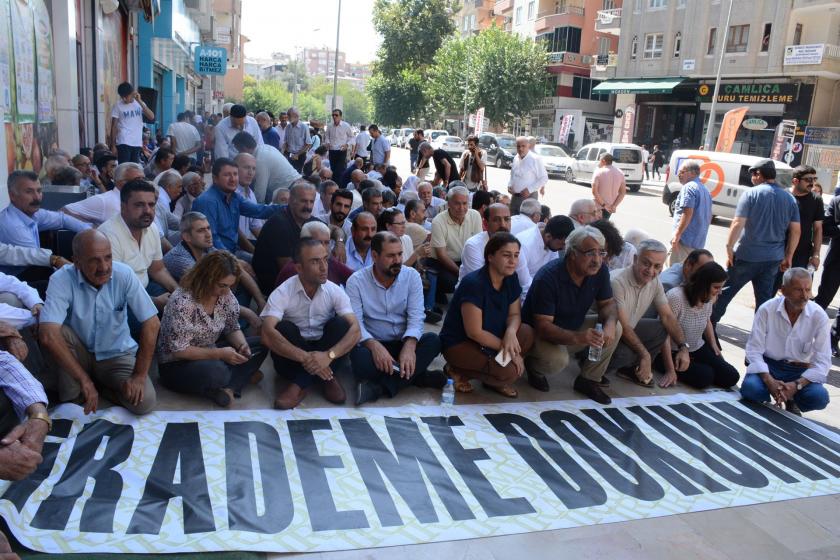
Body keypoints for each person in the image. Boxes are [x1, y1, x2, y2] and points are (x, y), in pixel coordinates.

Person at [39, 230, 159, 415]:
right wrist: (83, 379)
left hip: (116, 354)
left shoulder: (124, 274)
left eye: (108, 257)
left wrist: (139, 376)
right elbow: (48, 334)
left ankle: (102, 388)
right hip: (79, 354)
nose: (104, 267)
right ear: (77, 262)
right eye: (94, 260)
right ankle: (81, 389)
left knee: (144, 403)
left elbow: (152, 323)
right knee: (58, 333)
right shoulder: (61, 279)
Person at [522, 226, 622, 403]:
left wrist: (611, 324)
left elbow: (608, 304)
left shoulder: (600, 271)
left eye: (601, 252)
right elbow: (543, 326)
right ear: (573, 253)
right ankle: (532, 366)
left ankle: (588, 380)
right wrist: (580, 337)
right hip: (540, 334)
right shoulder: (548, 277)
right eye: (590, 253)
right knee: (557, 360)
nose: (597, 260)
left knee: (616, 326)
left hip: (573, 328)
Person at [260, 239, 361, 409]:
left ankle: (299, 384)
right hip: (293, 358)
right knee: (283, 329)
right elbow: (265, 334)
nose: (324, 267)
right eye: (315, 261)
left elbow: (356, 330)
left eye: (325, 259)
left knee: (341, 325)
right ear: (298, 268)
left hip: (327, 353)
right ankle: (327, 377)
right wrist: (308, 358)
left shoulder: (334, 290)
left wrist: (327, 356)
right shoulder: (283, 291)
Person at [157, 251, 267, 406]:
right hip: (177, 364)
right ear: (206, 278)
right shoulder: (182, 302)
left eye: (230, 285)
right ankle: (236, 378)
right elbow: (179, 351)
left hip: (211, 351)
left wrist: (242, 346)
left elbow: (232, 327)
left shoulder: (225, 295)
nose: (226, 291)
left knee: (262, 344)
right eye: (222, 285)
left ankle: (228, 388)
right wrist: (220, 354)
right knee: (217, 371)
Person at [347, 232, 444, 405]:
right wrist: (373, 345)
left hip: (402, 341)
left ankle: (379, 388)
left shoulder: (412, 276)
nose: (398, 260)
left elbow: (416, 317)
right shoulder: (356, 281)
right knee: (358, 359)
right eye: (391, 256)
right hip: (374, 344)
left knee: (433, 341)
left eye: (400, 254)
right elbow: (356, 324)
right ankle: (417, 376)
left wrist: (410, 345)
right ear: (375, 256)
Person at [441, 232, 534, 398]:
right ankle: (457, 370)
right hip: (462, 343)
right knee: (510, 373)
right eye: (506, 255)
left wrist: (511, 333)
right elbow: (474, 332)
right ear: (490, 257)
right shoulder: (474, 284)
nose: (513, 261)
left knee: (525, 333)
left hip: (492, 336)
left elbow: (514, 314)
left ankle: (492, 377)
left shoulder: (511, 278)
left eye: (516, 255)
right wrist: (510, 350)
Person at [712, 159, 800, 325]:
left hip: (747, 255)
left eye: (753, 173)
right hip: (772, 258)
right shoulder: (789, 199)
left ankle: (707, 328)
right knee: (764, 302)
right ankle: (761, 337)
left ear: (759, 174)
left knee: (724, 293)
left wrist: (729, 247)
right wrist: (788, 256)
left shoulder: (751, 194)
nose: (751, 177)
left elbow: (738, 223)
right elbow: (796, 230)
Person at [740, 268, 830, 415]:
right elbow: (753, 350)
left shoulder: (818, 316)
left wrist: (797, 385)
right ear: (783, 290)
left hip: (799, 370)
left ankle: (791, 397)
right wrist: (769, 381)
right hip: (770, 365)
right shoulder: (767, 309)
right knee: (751, 389)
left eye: (808, 290)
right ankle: (771, 396)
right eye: (798, 290)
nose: (805, 296)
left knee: (819, 398)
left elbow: (823, 362)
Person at [607, 239, 694, 388]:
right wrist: (645, 355)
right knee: (627, 354)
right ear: (635, 259)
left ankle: (631, 370)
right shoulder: (617, 282)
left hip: (626, 330)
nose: (651, 270)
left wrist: (683, 347)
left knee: (661, 327)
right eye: (646, 263)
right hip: (605, 336)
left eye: (657, 266)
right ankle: (594, 367)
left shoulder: (654, 281)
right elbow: (623, 326)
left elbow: (667, 317)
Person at [657, 261, 739, 389]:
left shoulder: (708, 297)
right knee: (705, 377)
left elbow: (706, 320)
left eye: (721, 287)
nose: (720, 292)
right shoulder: (676, 297)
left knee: (731, 376)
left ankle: (695, 364)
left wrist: (713, 345)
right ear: (703, 284)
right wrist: (670, 370)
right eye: (716, 287)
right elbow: (662, 334)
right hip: (671, 350)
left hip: (695, 347)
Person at [0, 171, 90, 277]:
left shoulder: (31, 213)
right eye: (29, 192)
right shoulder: (13, 226)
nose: (37, 197)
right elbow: (37, 258)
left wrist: (91, 232)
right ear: (12, 196)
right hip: (16, 281)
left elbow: (62, 219)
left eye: (39, 191)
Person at [191, 158, 285, 255]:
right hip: (216, 258)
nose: (233, 179)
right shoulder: (207, 201)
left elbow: (258, 211)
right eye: (227, 175)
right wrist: (235, 262)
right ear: (215, 179)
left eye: (235, 174)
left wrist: (289, 207)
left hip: (233, 250)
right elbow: (212, 240)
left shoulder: (234, 196)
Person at [251, 181, 320, 293]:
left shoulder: (305, 218)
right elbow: (289, 270)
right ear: (291, 201)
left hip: (294, 283)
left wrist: (339, 241)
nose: (308, 206)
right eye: (303, 201)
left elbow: (333, 229)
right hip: (275, 289)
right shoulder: (279, 224)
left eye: (311, 202)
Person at [429, 186, 484, 299]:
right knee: (451, 282)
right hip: (443, 262)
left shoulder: (475, 215)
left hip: (466, 259)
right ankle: (439, 293)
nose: (461, 208)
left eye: (465, 203)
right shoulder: (438, 221)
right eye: (457, 203)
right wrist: (462, 274)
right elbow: (442, 256)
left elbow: (479, 245)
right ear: (448, 203)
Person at [775, 165, 822, 290]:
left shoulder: (816, 200)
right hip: (777, 250)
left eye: (814, 179)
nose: (812, 183)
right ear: (795, 181)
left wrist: (816, 254)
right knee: (771, 289)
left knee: (799, 292)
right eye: (808, 180)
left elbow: (818, 229)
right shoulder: (783, 196)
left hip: (802, 254)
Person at [275, 221, 353, 288]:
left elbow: (356, 279)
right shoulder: (292, 270)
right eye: (318, 242)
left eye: (326, 242)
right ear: (304, 243)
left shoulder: (331, 262)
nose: (323, 247)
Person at [231, 131, 301, 205]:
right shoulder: (265, 147)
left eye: (238, 150)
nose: (238, 153)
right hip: (295, 183)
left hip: (290, 190)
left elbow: (260, 194)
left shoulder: (259, 160)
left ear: (244, 148)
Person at [669, 159, 713, 265]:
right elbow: (709, 216)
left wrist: (677, 234)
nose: (679, 174)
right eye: (679, 172)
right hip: (698, 242)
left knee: (675, 273)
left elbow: (687, 212)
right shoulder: (705, 190)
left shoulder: (689, 187)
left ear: (693, 173)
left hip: (685, 240)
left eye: (682, 172)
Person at [516, 214, 575, 281]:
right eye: (562, 244)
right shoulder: (524, 244)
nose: (564, 248)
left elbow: (554, 272)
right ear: (548, 236)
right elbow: (524, 284)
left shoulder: (552, 242)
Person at [110, 82, 154, 163]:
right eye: (122, 97)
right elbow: (114, 126)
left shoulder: (139, 103)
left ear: (133, 93)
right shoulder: (117, 105)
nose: (124, 99)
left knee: (134, 168)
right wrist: (113, 145)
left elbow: (151, 117)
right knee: (125, 167)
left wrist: (140, 101)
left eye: (127, 97)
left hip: (136, 142)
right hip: (123, 141)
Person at [508, 136, 548, 214]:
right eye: (518, 146)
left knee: (527, 223)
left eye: (523, 146)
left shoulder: (535, 159)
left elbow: (544, 178)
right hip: (515, 197)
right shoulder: (516, 158)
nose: (520, 149)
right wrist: (510, 185)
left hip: (529, 198)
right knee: (512, 221)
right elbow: (513, 175)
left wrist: (529, 189)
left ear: (528, 146)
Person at [234, 152, 264, 254]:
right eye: (246, 167)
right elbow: (236, 233)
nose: (250, 172)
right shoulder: (230, 193)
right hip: (232, 247)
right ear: (235, 169)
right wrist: (255, 253)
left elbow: (255, 226)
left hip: (245, 245)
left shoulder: (251, 193)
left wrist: (270, 246)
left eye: (253, 168)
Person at [591, 153, 626, 220]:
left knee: (593, 228)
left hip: (598, 207)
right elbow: (622, 192)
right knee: (603, 227)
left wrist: (604, 205)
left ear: (603, 161)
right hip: (610, 208)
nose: (598, 162)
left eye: (599, 160)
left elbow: (594, 191)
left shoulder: (598, 172)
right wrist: (614, 205)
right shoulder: (620, 172)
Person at [324, 108, 355, 180]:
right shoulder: (329, 126)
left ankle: (339, 187)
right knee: (333, 169)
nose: (334, 117)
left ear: (340, 117)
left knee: (340, 170)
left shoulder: (346, 126)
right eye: (333, 115)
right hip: (332, 150)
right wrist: (327, 142)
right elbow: (327, 136)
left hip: (341, 150)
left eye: (336, 115)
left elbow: (352, 138)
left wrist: (347, 145)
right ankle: (333, 186)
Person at [282, 107, 311, 173]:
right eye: (288, 114)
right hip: (289, 154)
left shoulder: (304, 127)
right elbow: (286, 142)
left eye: (289, 115)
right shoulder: (288, 127)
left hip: (300, 156)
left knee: (297, 175)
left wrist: (297, 154)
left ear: (296, 115)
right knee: (288, 174)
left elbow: (308, 144)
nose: (288, 117)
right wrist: (282, 152)